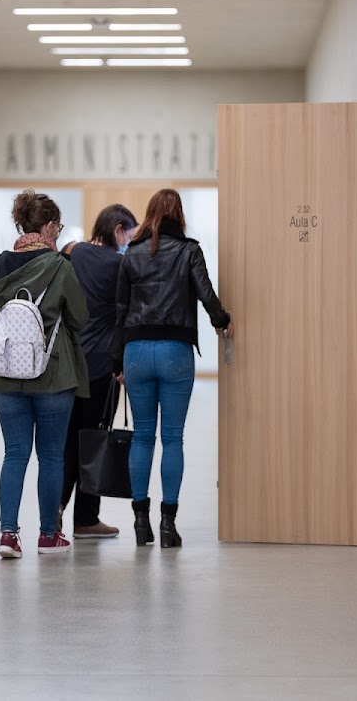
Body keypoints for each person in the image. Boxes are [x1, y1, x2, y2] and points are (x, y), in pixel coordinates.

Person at [112, 189, 232, 548]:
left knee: (144, 437)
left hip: (135, 351)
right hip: (175, 351)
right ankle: (167, 525)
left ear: (148, 215)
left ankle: (139, 521)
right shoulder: (188, 250)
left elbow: (120, 311)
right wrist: (222, 320)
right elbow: (206, 293)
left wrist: (117, 359)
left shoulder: (130, 253)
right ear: (178, 215)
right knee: (172, 438)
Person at [0, 189, 89, 559]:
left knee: (14, 454)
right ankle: (48, 536)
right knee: (51, 456)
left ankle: (8, 535)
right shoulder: (60, 266)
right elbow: (79, 317)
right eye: (57, 226)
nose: (58, 232)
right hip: (53, 374)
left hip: (5, 374)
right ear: (47, 226)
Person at [59, 203, 140, 539]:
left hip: (65, 364)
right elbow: (126, 316)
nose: (128, 244)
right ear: (118, 229)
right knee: (91, 441)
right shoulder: (121, 264)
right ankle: (85, 519)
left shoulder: (70, 251)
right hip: (100, 366)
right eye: (128, 236)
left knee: (63, 445)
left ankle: (53, 516)